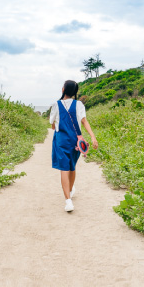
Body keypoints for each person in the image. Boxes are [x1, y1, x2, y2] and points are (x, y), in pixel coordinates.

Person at [50, 80, 98, 212]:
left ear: (63, 90)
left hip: (61, 141)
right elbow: (84, 121)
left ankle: (68, 200)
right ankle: (70, 191)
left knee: (64, 168)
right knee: (71, 166)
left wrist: (56, 124)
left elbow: (53, 125)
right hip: (75, 141)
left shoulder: (56, 104)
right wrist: (93, 137)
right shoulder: (79, 104)